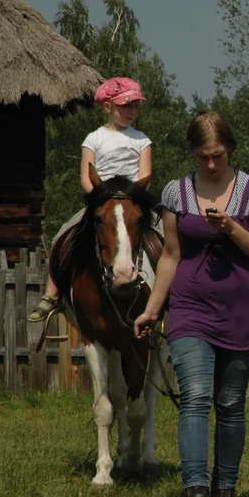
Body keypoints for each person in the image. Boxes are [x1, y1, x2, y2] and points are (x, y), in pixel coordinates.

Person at [133, 112, 249, 497]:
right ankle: (195, 488)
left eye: (217, 155)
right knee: (195, 396)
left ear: (230, 149)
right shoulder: (176, 193)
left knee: (230, 403)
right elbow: (171, 257)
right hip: (190, 310)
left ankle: (225, 490)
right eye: (202, 157)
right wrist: (152, 309)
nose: (211, 164)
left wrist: (233, 228)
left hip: (240, 313)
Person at [30, 77, 153, 322]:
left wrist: (132, 199)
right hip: (102, 202)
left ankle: (174, 293)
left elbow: (146, 176)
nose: (132, 111)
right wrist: (98, 198)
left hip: (132, 202)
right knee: (64, 234)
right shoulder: (93, 139)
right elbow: (87, 177)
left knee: (165, 235)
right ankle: (51, 295)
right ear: (107, 107)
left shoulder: (142, 140)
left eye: (136, 106)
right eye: (126, 105)